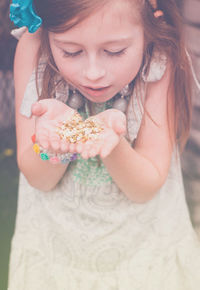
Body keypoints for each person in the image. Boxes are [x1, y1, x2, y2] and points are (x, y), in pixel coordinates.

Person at [8, 0, 200, 289]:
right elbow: (37, 177)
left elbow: (145, 186)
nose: (93, 73)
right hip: (57, 253)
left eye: (114, 51)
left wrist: (112, 145)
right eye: (71, 52)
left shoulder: (159, 61)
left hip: (140, 255)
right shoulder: (33, 50)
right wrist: (58, 144)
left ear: (147, 27)